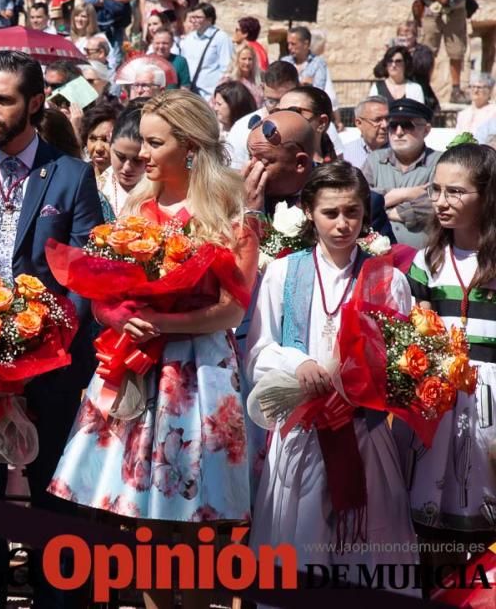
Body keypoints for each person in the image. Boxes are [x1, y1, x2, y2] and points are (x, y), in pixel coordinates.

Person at [51, 90, 256, 609]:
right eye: (142, 140)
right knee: (139, 516)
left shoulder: (232, 212)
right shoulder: (138, 206)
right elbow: (106, 292)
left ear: (188, 147)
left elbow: (233, 309)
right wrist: (116, 315)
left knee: (197, 523)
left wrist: (162, 319)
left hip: (198, 375)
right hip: (137, 370)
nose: (141, 153)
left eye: (153, 142)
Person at [0, 49, 102, 609]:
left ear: (34, 104)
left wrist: (43, 345)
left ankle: (57, 599)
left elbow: (83, 272)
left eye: (3, 100)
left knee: (54, 492)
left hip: (51, 364)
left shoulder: (72, 176)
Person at [246, 162, 419, 590]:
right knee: (299, 545)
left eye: (353, 213)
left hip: (363, 432)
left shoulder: (388, 278)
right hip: (302, 429)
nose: (343, 224)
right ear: (308, 211)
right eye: (331, 213)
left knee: (367, 546)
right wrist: (296, 364)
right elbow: (259, 349)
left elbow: (400, 359)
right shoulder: (283, 273)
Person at [396, 143, 496, 567]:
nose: (441, 201)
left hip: (490, 404)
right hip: (438, 404)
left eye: (456, 192)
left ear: (487, 196)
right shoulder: (427, 261)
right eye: (436, 190)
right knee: (432, 524)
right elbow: (415, 334)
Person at [243, 109, 396, 242]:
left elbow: (384, 265)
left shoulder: (357, 202)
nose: (252, 168)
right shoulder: (242, 199)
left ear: (300, 163)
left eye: (263, 161)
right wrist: (249, 212)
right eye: (251, 157)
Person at [362, 98, 441, 248]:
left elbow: (436, 203)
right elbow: (361, 199)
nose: (398, 132)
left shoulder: (440, 162)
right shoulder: (374, 160)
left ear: (426, 130)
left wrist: (392, 212)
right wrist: (405, 194)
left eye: (406, 125)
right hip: (377, 259)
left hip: (423, 258)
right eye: (393, 125)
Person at [413, 0, 478, 103]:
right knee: (427, 52)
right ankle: (423, 87)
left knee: (456, 51)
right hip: (432, 11)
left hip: (456, 10)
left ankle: (455, 90)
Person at [227, 60, 300, 170]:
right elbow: (233, 177)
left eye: (285, 100)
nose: (278, 108)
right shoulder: (241, 129)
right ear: (262, 89)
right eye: (271, 101)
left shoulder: (313, 123)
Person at [98, 103, 146, 216]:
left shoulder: (163, 191)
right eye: (120, 157)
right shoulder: (95, 189)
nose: (127, 167)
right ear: (110, 144)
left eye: (137, 160)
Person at [180, 2, 233, 100]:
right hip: (190, 93)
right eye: (193, 17)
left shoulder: (221, 38)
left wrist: (218, 93)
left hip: (210, 95)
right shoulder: (189, 38)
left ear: (209, 19)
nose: (194, 21)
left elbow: (226, 68)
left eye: (198, 17)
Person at [277, 85, 341, 164]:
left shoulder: (339, 174)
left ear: (321, 123)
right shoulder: (268, 168)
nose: (282, 119)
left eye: (293, 112)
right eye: (278, 112)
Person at [341, 96, 389, 172]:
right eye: (377, 120)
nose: (385, 125)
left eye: (388, 119)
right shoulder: (345, 155)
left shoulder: (401, 152)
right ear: (359, 123)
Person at [81, 97, 122, 179]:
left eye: (105, 140)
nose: (99, 148)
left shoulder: (129, 181)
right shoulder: (80, 175)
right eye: (93, 139)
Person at [280, 25, 328, 90]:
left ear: (306, 44)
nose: (289, 47)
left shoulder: (318, 63)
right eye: (288, 44)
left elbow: (319, 89)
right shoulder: (285, 62)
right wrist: (303, 85)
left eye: (293, 44)